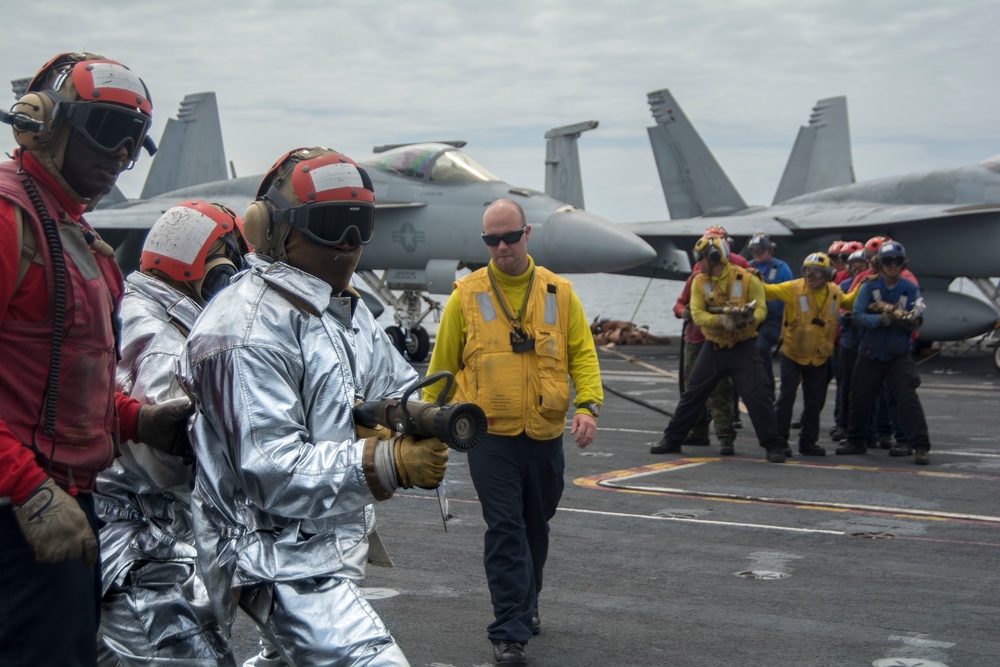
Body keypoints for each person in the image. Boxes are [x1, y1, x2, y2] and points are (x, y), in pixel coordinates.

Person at [180, 147, 448, 666]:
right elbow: (271, 471)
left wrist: (408, 420)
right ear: (273, 228)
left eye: (360, 225)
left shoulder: (342, 311)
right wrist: (386, 461)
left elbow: (392, 385)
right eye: (330, 226)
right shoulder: (245, 328)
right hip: (270, 554)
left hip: (329, 537)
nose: (348, 245)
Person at [0, 52, 193, 667]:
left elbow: (56, 382)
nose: (120, 155)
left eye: (134, 142)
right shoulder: (9, 218)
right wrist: (27, 488)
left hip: (60, 510)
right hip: (20, 508)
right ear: (45, 124)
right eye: (108, 132)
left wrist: (137, 419)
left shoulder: (81, 240)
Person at [423, 198, 601, 666]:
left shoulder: (559, 293)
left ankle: (527, 601)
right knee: (505, 528)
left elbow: (582, 354)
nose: (500, 247)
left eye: (508, 236)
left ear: (527, 234)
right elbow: (441, 367)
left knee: (535, 526)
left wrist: (588, 406)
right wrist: (423, 421)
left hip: (544, 434)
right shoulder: (465, 295)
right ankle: (508, 631)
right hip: (489, 436)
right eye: (491, 239)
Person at [95, 201, 247, 666]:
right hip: (143, 552)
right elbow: (170, 462)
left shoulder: (132, 308)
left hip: (114, 543)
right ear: (212, 267)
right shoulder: (165, 342)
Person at [652, 236, 788, 462]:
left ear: (714, 257)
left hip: (743, 346)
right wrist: (721, 321)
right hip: (714, 346)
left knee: (757, 396)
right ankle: (672, 439)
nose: (698, 262)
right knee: (693, 393)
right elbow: (697, 314)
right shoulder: (698, 281)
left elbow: (762, 308)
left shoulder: (747, 279)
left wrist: (750, 317)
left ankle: (774, 445)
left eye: (701, 257)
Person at [835, 241, 932, 464]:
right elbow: (856, 316)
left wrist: (911, 322)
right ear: (880, 263)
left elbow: (917, 316)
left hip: (898, 354)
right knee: (859, 398)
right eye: (888, 261)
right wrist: (880, 319)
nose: (893, 266)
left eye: (898, 262)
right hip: (870, 352)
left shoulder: (909, 289)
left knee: (907, 399)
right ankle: (856, 440)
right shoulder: (868, 287)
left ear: (903, 264)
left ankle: (919, 446)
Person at [763, 252, 857, 457]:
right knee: (787, 398)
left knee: (815, 400)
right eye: (807, 271)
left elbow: (849, 302)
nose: (811, 276)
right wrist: (752, 276)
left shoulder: (834, 292)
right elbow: (766, 291)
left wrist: (863, 282)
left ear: (828, 275)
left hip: (820, 355)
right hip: (793, 353)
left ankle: (808, 442)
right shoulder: (793, 288)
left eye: (816, 272)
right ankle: (780, 441)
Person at [672, 266, 737, 454]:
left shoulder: (735, 276)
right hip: (695, 339)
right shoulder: (696, 278)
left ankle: (725, 436)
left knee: (721, 388)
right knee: (692, 389)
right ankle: (698, 431)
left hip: (718, 339)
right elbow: (679, 305)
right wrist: (684, 312)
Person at [746, 233, 792, 402]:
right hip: (753, 317)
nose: (757, 253)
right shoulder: (748, 267)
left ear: (769, 249)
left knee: (761, 349)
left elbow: (790, 295)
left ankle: (768, 392)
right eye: (753, 250)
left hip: (773, 318)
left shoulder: (781, 268)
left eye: (760, 249)